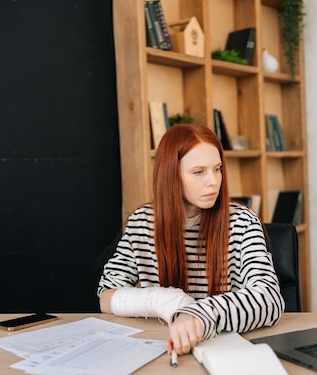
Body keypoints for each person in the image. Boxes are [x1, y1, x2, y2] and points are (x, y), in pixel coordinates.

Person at [97, 123, 284, 358]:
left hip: (229, 353)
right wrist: (167, 301)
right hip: (165, 350)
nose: (214, 181)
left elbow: (269, 299)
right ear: (171, 174)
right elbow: (107, 295)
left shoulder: (242, 222)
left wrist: (197, 315)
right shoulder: (142, 222)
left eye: (217, 169)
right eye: (199, 172)